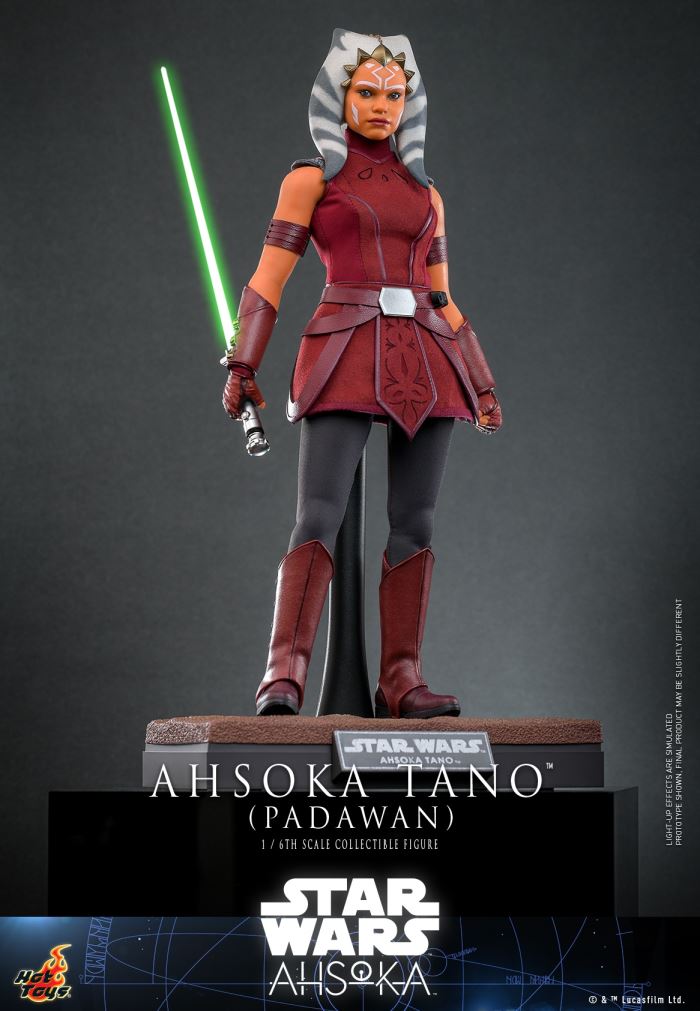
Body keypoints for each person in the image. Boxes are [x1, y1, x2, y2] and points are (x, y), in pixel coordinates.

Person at [222, 30, 502, 719]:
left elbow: (443, 295)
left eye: (395, 95)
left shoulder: (426, 193)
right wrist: (243, 361)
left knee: (416, 520)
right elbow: (268, 280)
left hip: (427, 354)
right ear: (339, 95)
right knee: (319, 513)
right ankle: (283, 672)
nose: (382, 106)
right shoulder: (311, 180)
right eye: (368, 92)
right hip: (344, 346)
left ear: (411, 104)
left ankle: (400, 678)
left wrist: (481, 378)